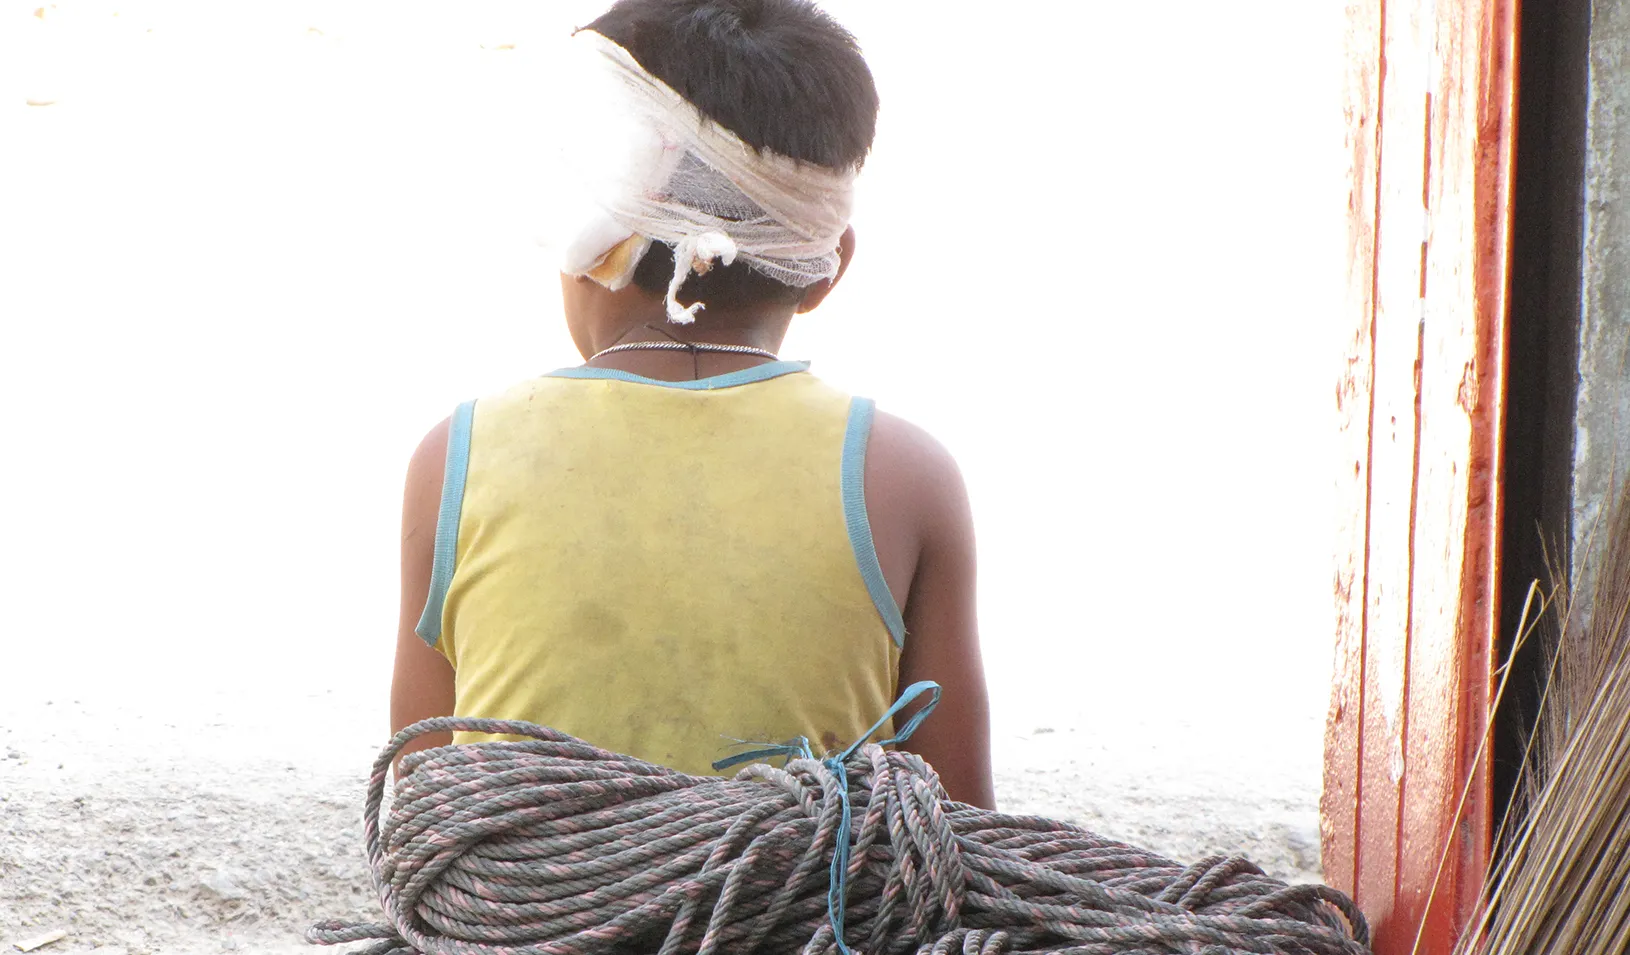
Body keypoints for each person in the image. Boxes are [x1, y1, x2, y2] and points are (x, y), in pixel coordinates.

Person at [389, 0, 994, 808]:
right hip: (805, 896)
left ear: (588, 233)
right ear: (828, 266)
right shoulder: (907, 475)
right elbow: (960, 828)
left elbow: (420, 812)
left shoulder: (458, 455)